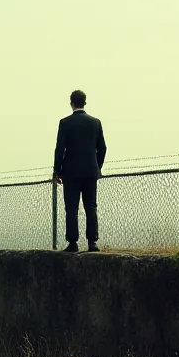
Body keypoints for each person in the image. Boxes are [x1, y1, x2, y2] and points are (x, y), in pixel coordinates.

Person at [52, 90, 107, 253]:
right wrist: (97, 167)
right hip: (90, 171)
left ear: (71, 103)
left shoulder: (65, 123)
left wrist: (57, 171)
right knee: (91, 206)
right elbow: (103, 148)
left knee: (71, 207)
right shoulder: (95, 123)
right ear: (85, 103)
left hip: (71, 172)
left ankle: (72, 242)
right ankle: (92, 242)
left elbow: (60, 149)